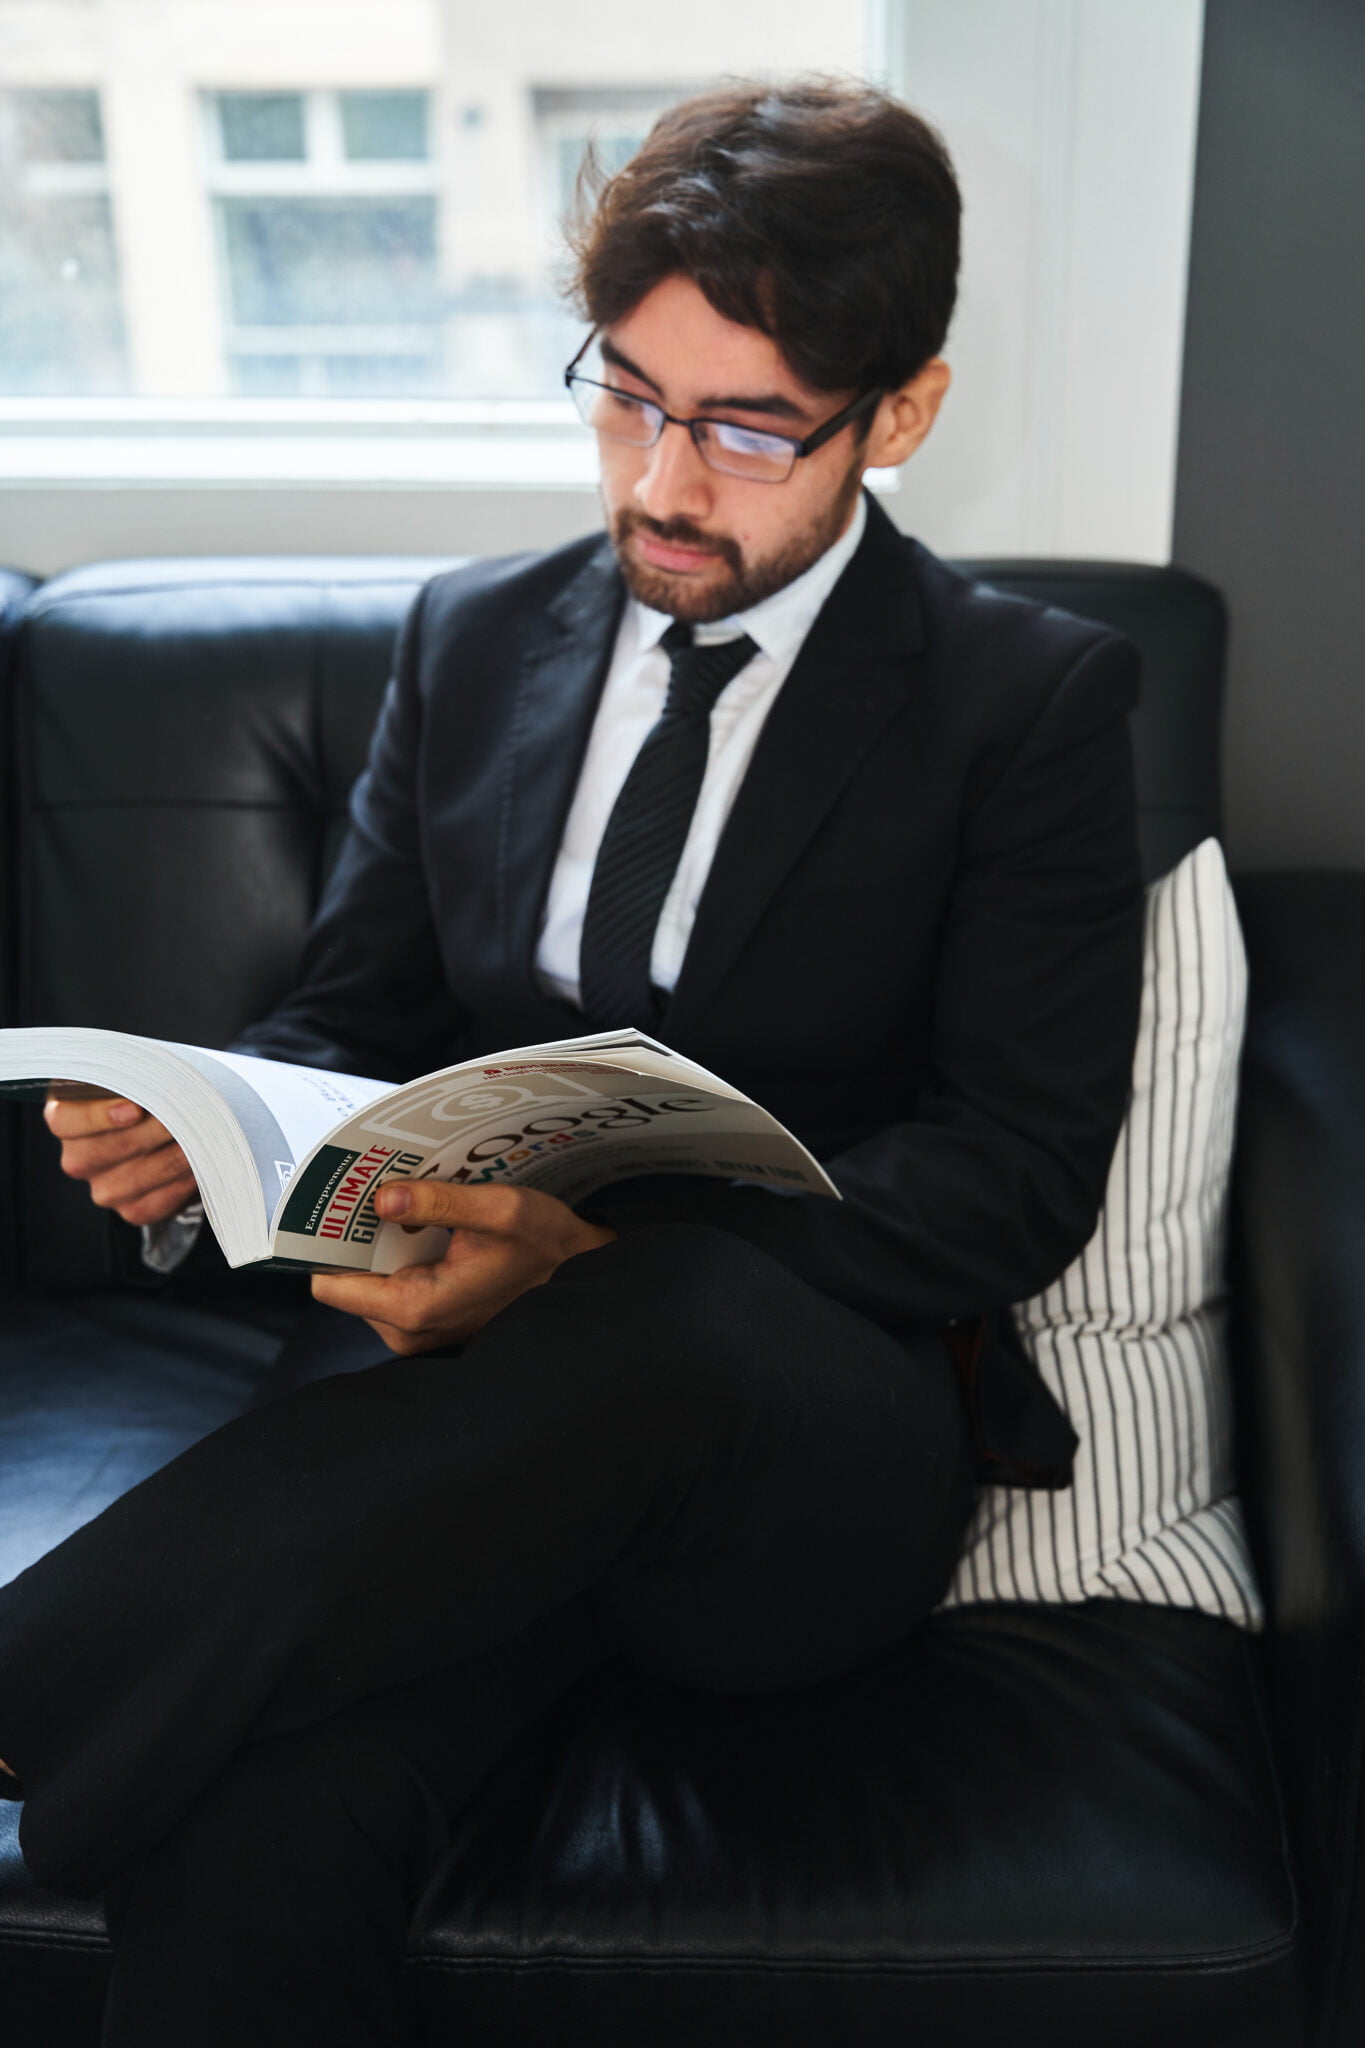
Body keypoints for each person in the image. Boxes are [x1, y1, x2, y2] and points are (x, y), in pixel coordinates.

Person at [0, 78, 1144, 2046]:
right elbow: (348, 1014)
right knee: (269, 1808)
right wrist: (235, 1133)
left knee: (680, 1287)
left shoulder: (1022, 701)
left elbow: (1019, 1169)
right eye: (622, 395)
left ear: (904, 414)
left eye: (743, 424)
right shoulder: (471, 638)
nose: (659, 482)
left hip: (786, 1440)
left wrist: (592, 1247)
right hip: (433, 1408)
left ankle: (35, 1677)